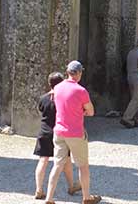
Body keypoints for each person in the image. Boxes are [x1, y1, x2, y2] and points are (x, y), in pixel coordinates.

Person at [45, 61, 102, 204]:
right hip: (75, 132)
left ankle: (49, 198)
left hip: (59, 131)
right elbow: (91, 111)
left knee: (57, 165)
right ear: (79, 73)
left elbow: (53, 99)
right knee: (83, 166)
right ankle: (87, 197)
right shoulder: (81, 91)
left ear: (68, 72)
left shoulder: (57, 87)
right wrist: (81, 111)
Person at [34, 72, 78, 200]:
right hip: (60, 132)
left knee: (43, 160)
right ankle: (71, 185)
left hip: (44, 132)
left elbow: (41, 110)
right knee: (66, 160)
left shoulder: (43, 98)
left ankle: (39, 189)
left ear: (49, 83)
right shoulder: (64, 99)